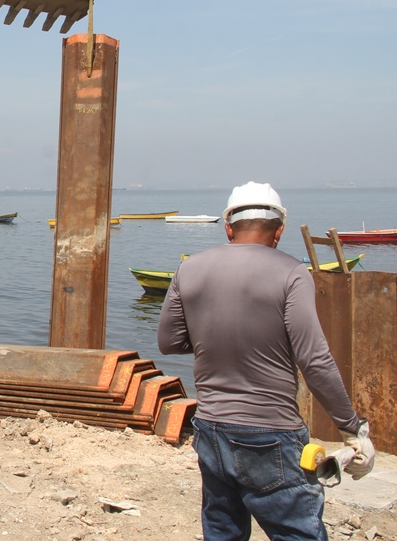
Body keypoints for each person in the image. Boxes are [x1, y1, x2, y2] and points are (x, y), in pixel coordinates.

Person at [158, 181, 375, 541]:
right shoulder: (292, 273)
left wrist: (217, 341)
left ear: (228, 228)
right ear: (279, 232)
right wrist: (352, 427)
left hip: (210, 429)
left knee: (222, 531)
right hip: (271, 436)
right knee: (297, 533)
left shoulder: (189, 269)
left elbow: (169, 342)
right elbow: (314, 359)